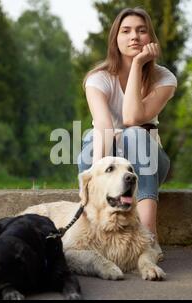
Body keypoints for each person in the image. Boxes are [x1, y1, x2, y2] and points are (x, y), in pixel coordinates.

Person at [77, 8, 177, 260]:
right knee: (91, 138)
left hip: (149, 164)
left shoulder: (164, 78)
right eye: (126, 31)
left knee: (134, 134)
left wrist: (138, 65)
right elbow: (104, 126)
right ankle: (94, 227)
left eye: (142, 31)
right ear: (115, 39)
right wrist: (98, 177)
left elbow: (133, 117)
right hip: (108, 158)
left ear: (150, 39)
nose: (134, 36)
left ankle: (148, 234)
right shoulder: (98, 79)